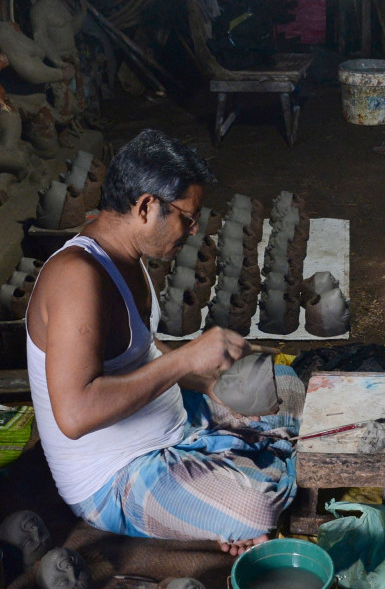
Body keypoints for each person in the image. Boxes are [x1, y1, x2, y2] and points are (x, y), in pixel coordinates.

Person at [26, 129, 303, 555]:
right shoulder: (76, 277)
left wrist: (205, 380)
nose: (193, 230)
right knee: (254, 508)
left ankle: (232, 473)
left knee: (286, 386)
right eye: (186, 217)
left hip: (171, 421)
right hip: (116, 474)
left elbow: (141, 349)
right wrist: (188, 358)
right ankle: (236, 487)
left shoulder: (125, 256)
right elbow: (75, 414)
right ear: (145, 206)